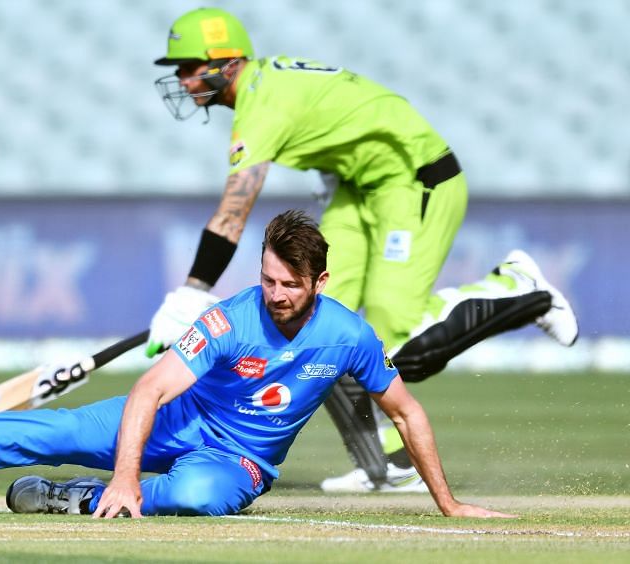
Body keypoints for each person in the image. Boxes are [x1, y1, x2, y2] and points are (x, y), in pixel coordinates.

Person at [145, 7, 579, 494]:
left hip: (412, 178)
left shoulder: (260, 102)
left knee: (396, 344)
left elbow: (233, 212)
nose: (182, 82)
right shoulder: (267, 86)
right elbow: (347, 114)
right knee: (316, 322)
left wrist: (191, 293)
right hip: (360, 186)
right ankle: (387, 465)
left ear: (226, 60)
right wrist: (337, 173)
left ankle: (521, 288)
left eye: (187, 68)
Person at [0, 210, 514, 520]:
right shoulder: (230, 318)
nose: (276, 295)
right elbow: (148, 391)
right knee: (56, 431)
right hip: (172, 421)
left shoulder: (349, 336)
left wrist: (449, 504)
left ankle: (71, 500)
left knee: (200, 498)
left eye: (291, 285)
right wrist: (124, 476)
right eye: (268, 280)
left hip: (238, 464)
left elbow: (407, 410)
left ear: (320, 280)